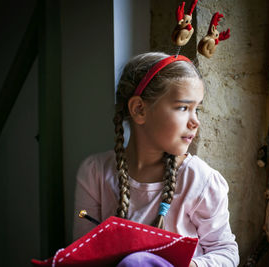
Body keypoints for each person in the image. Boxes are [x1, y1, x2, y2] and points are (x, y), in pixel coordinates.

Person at [73, 52, 239, 267]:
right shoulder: (95, 172)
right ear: (139, 109)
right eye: (183, 108)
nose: (195, 121)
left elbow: (226, 252)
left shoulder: (201, 180)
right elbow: (82, 253)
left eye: (197, 109)